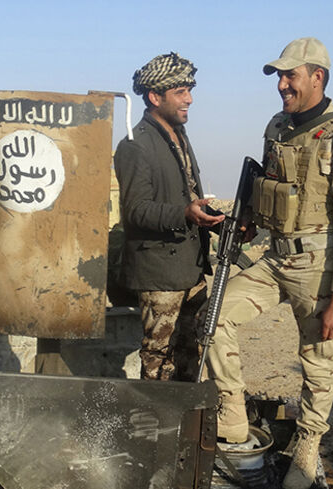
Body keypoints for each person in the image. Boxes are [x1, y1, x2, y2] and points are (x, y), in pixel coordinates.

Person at [205, 37, 333, 489]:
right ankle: (234, 419)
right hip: (274, 258)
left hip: (318, 267)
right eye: (279, 76)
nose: (281, 84)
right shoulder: (278, 126)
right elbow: (270, 186)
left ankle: (308, 444)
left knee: (317, 360)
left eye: (290, 75)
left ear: (317, 77)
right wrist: (248, 223)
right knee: (214, 315)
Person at [113, 52, 225, 382]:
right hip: (159, 274)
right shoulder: (136, 145)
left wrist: (213, 218)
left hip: (189, 269)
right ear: (154, 96)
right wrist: (183, 213)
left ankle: (184, 426)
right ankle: (154, 427)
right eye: (180, 92)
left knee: (193, 351)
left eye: (189, 90)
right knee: (158, 361)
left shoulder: (177, 136)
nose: (189, 99)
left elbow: (183, 193)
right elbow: (135, 209)